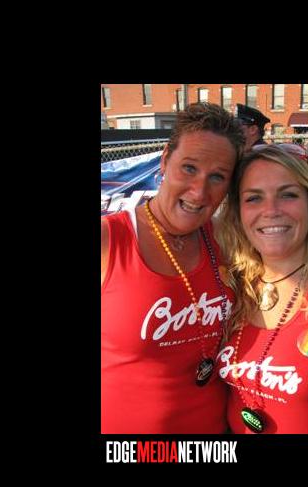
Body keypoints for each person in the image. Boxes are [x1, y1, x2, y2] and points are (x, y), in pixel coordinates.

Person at [101, 102, 245, 434]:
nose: (199, 191)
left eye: (217, 177)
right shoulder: (110, 240)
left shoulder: (227, 240)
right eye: (189, 168)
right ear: (165, 160)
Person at [215, 143, 308, 434]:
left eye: (288, 195)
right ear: (238, 213)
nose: (271, 211)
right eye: (254, 198)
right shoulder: (233, 286)